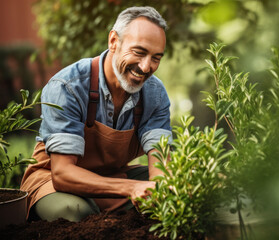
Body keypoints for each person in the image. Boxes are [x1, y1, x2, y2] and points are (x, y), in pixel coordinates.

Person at [20, 6, 172, 222]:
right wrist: (133, 188)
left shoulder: (155, 94)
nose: (146, 67)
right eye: (139, 52)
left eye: (156, 58)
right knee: (73, 211)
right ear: (113, 41)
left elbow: (160, 168)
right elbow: (62, 174)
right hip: (54, 183)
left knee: (185, 189)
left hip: (114, 179)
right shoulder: (68, 86)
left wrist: (161, 192)